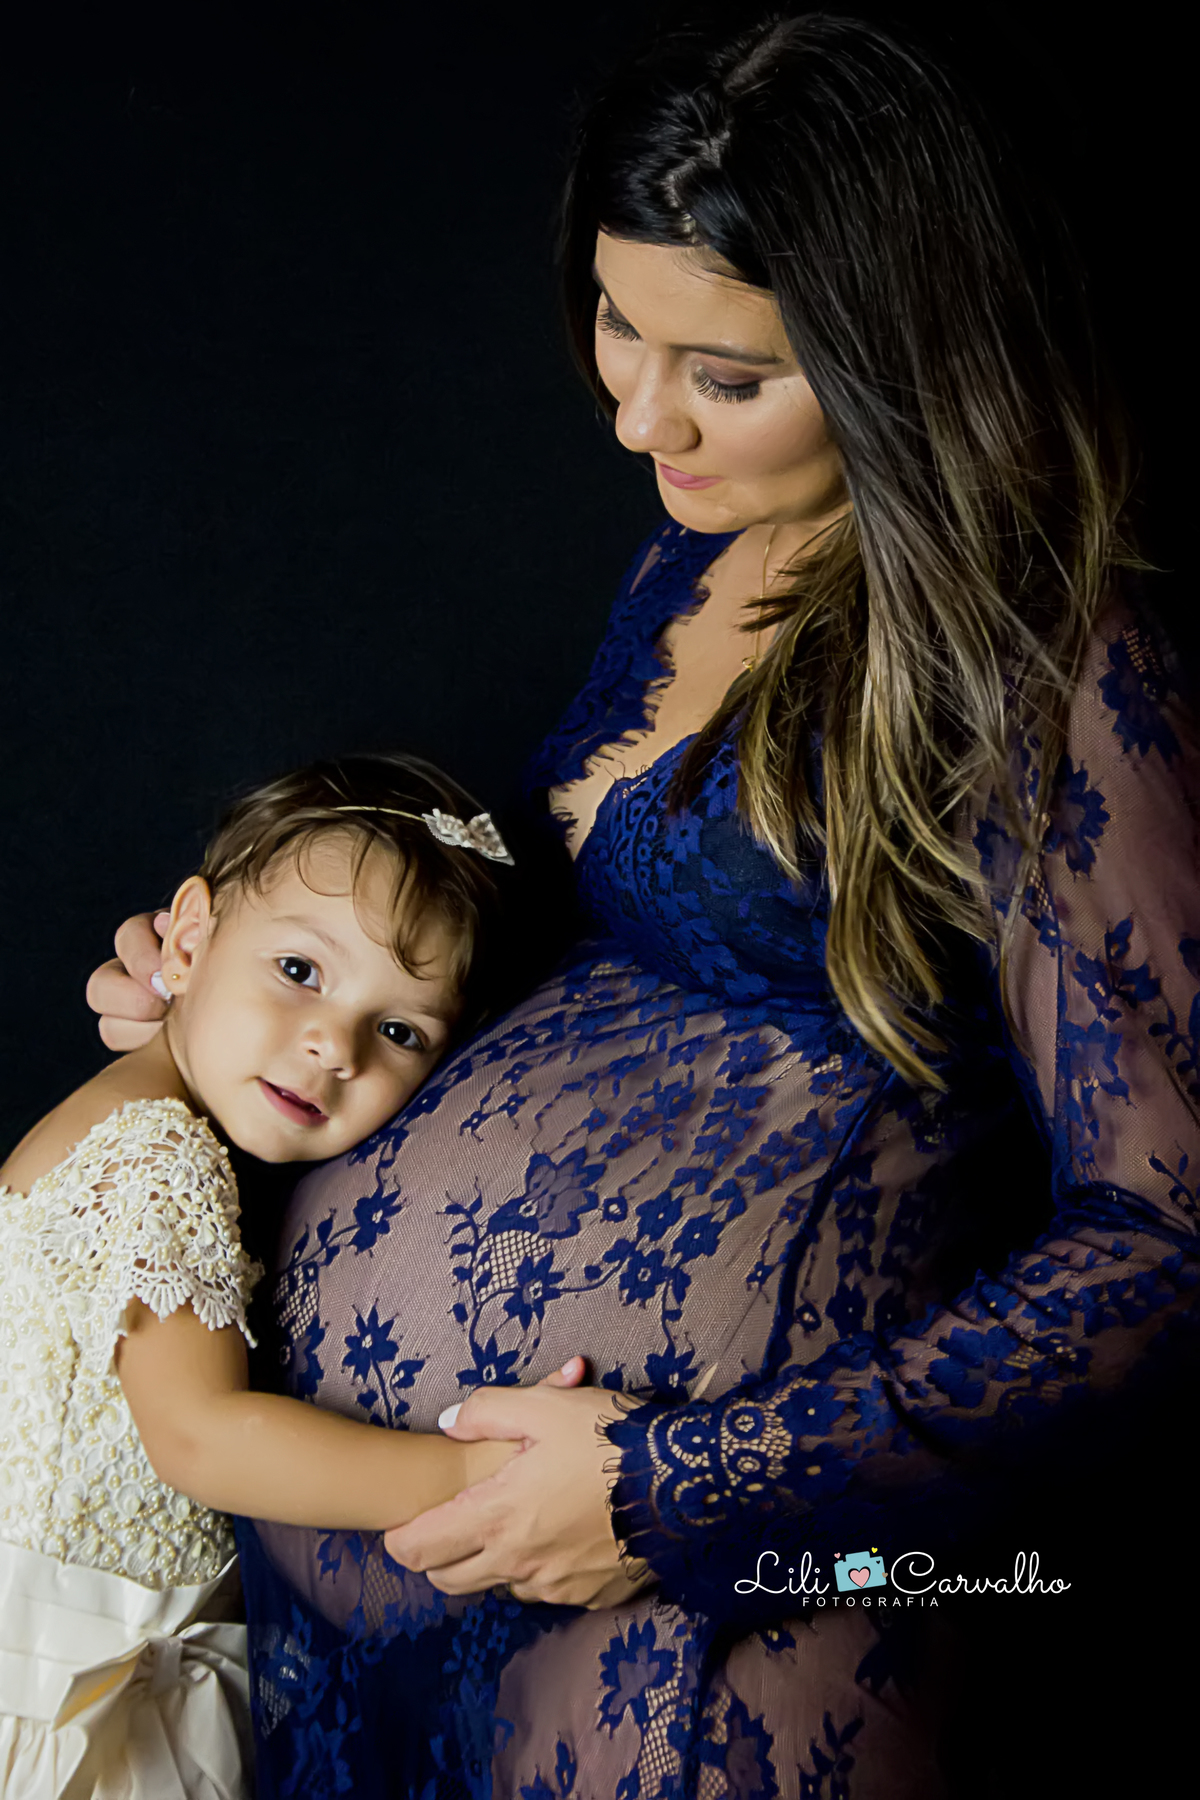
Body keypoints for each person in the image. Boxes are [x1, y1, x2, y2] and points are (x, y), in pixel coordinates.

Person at [88, 12, 1199, 1799]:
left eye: (724, 373)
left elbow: (1167, 1248)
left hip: (728, 1604)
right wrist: (257, 984)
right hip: (408, 1598)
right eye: (619, 323)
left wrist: (681, 1492)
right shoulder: (699, 534)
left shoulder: (1054, 668)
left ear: (905, 350)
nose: (632, 412)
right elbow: (602, 949)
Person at [0, 752, 581, 1799]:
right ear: (186, 939)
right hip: (64, 1702)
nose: (332, 1046)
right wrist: (472, 1481)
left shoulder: (136, 1116)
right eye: (301, 972)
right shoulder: (155, 1158)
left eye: (399, 1030)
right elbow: (199, 1436)